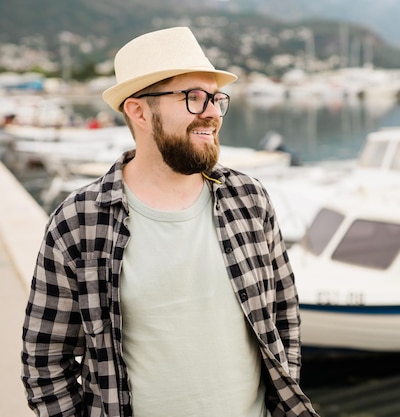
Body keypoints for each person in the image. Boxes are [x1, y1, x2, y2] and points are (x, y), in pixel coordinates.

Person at [21, 26, 320, 417]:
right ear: (139, 111)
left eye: (216, 98)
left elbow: (284, 317)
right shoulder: (78, 222)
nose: (212, 113)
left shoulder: (250, 199)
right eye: (194, 98)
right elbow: (44, 363)